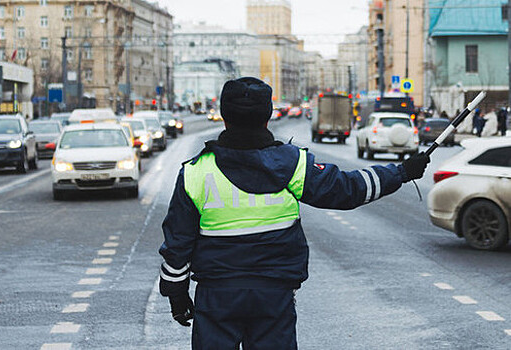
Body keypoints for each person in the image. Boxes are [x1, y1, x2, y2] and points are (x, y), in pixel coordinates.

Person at [158, 77, 430, 350]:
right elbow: (348, 190)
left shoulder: (195, 172)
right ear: (268, 116)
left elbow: (177, 244)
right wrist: (401, 172)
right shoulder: (292, 164)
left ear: (223, 116)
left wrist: (177, 296)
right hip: (274, 296)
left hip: (216, 297)